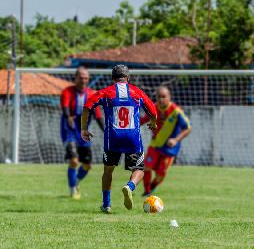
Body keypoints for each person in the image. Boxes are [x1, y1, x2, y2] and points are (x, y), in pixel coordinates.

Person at [81, 64, 157, 213]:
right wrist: (153, 122)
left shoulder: (105, 92)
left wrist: (84, 128)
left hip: (113, 139)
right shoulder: (137, 92)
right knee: (139, 169)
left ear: (112, 78)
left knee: (108, 171)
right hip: (132, 138)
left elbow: (87, 107)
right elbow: (152, 110)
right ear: (128, 78)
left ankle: (106, 204)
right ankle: (130, 186)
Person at [60, 67, 104, 199]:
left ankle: (76, 183)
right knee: (74, 161)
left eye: (86, 78)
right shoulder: (67, 91)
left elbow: (97, 115)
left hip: (83, 133)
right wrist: (68, 116)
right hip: (69, 131)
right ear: (75, 78)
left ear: (88, 79)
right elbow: (65, 106)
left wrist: (107, 131)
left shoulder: (92, 95)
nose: (83, 80)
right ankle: (72, 189)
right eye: (81, 77)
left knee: (87, 165)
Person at [140, 86, 191, 196]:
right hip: (155, 145)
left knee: (160, 175)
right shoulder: (152, 108)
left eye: (164, 96)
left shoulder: (176, 112)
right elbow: (143, 120)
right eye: (159, 97)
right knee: (147, 167)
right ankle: (147, 192)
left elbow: (187, 128)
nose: (161, 99)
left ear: (169, 97)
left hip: (169, 149)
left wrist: (176, 140)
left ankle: (152, 187)